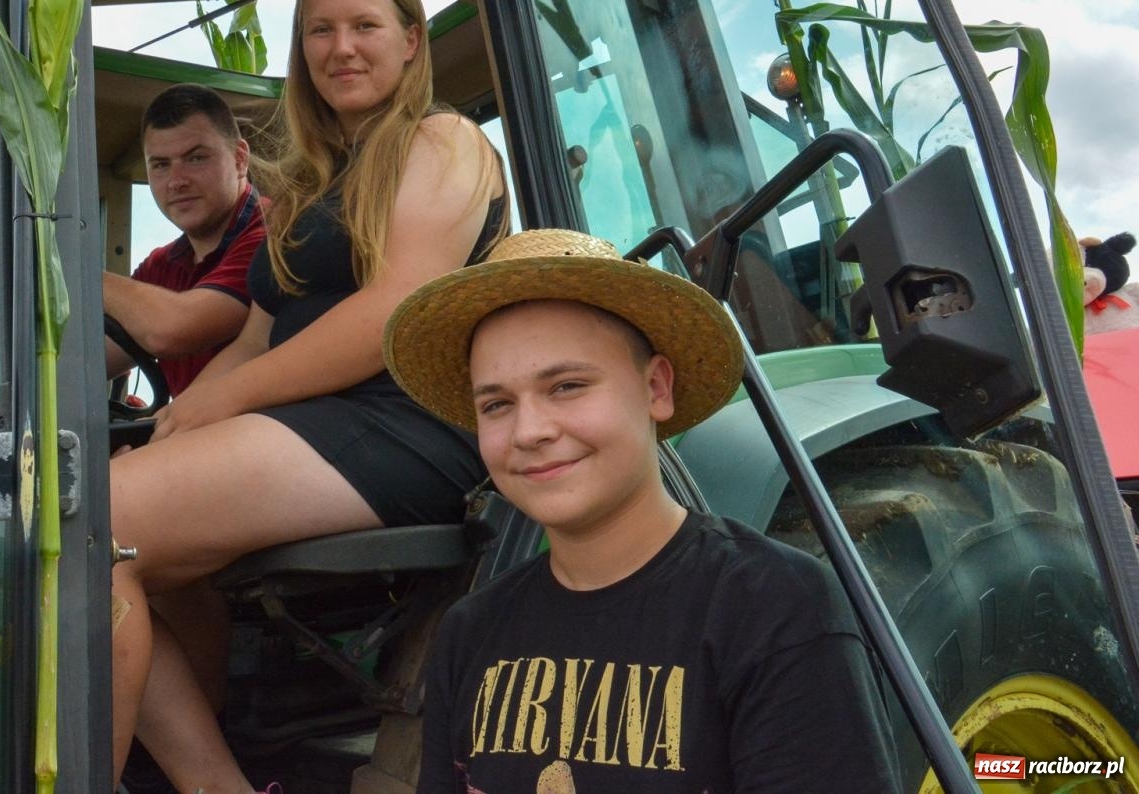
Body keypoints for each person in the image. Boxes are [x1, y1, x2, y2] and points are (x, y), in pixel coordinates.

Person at [105, 0, 507, 793]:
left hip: (400, 421)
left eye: (365, 25)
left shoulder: (444, 141)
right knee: (104, 525)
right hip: (307, 422)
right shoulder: (306, 187)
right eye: (320, 30)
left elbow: (394, 312)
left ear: (411, 41)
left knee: (97, 527)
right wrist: (176, 420)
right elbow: (256, 340)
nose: (341, 47)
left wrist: (220, 406)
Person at [384, 228, 902, 793]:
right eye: (497, 404)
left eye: (567, 386)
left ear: (656, 387)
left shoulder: (771, 608)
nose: (529, 431)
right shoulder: (469, 632)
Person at [0, 83, 264, 397]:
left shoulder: (273, 239)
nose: (177, 181)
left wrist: (50, 266)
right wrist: (2, 298)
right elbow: (81, 365)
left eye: (196, 158)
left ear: (239, 159)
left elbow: (174, 330)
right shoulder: (162, 266)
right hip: (193, 425)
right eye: (160, 165)